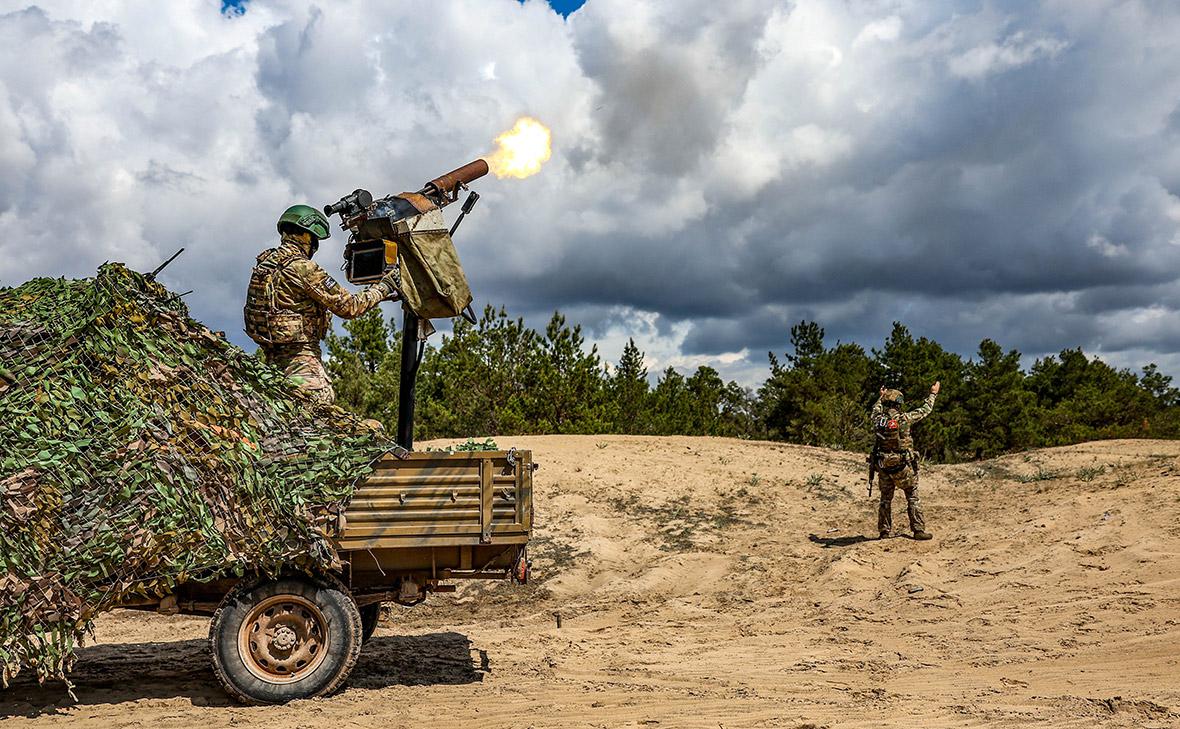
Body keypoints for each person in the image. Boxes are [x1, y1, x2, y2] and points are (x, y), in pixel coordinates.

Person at [244, 204, 399, 405]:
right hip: (301, 364)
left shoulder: (266, 265)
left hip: (272, 362)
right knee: (317, 409)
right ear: (308, 237)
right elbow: (350, 306)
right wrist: (384, 287)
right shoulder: (301, 267)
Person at [870, 380, 940, 540]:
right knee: (912, 496)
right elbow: (926, 409)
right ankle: (918, 530)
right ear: (899, 403)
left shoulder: (878, 419)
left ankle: (884, 531)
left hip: (884, 466)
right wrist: (933, 394)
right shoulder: (905, 419)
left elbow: (875, 409)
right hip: (903, 466)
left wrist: (880, 397)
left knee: (885, 499)